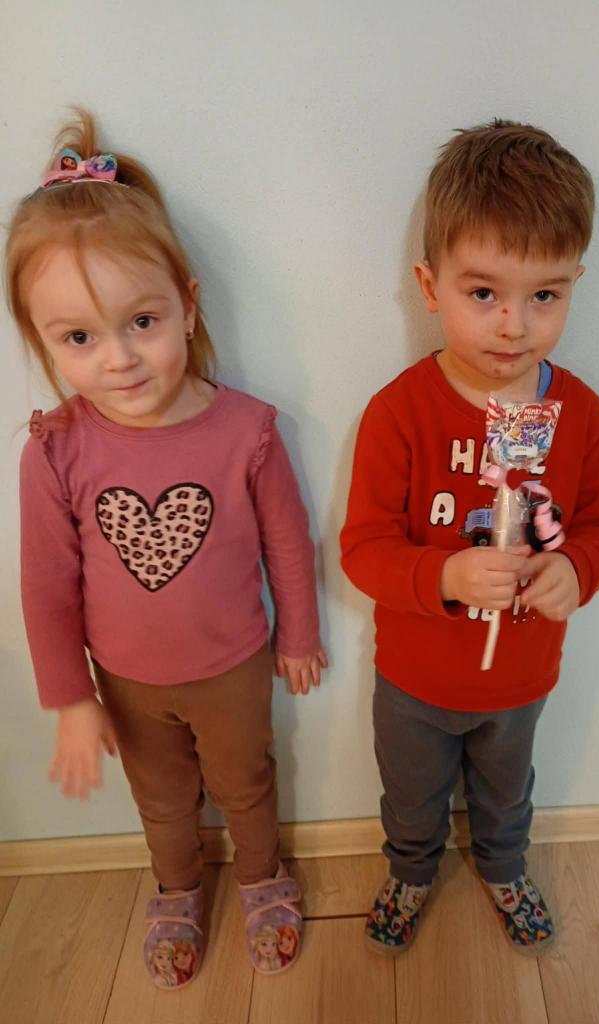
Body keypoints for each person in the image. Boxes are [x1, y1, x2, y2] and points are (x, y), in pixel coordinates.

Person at [7, 110, 326, 987]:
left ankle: (261, 876)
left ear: (186, 304)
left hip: (233, 666)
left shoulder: (246, 431)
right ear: (42, 339)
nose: (118, 359)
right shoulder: (53, 452)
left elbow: (287, 541)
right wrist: (71, 698)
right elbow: (46, 587)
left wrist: (299, 633)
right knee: (160, 798)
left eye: (140, 321)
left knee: (246, 782)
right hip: (127, 681)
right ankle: (178, 888)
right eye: (78, 337)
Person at [340, 119, 599, 956]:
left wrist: (577, 569)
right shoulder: (399, 414)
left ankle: (503, 868)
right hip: (414, 678)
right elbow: (363, 549)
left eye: (544, 295)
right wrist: (446, 577)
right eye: (482, 294)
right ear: (429, 287)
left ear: (574, 285)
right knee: (411, 796)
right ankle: (411, 871)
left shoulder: (580, 416)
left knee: (506, 795)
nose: (513, 326)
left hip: (521, 676)